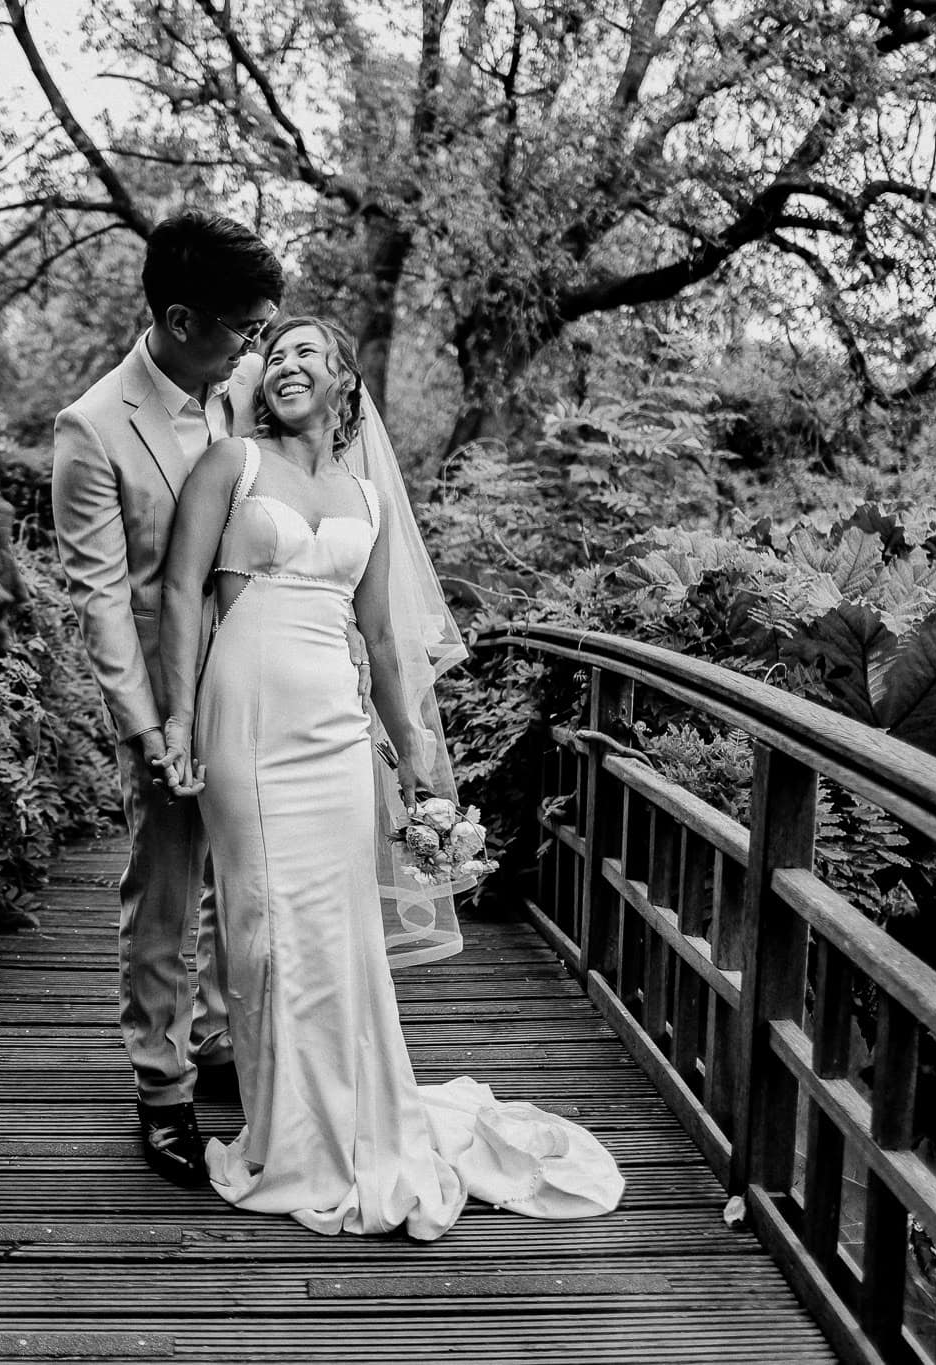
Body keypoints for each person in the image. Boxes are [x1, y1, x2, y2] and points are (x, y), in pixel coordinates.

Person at [155, 316, 625, 1238]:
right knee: (262, 927)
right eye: (275, 356)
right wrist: (175, 718)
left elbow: (382, 641)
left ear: (345, 385)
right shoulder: (231, 466)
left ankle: (356, 1115)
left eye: (307, 357)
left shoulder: (367, 497)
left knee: (338, 928)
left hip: (335, 727)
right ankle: (285, 1131)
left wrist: (420, 760)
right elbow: (180, 592)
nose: (286, 367)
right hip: (244, 715)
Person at [51, 210, 284, 1187]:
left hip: (258, 691)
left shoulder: (234, 392)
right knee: (163, 894)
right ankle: (160, 1087)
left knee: (241, 882)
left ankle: (217, 1035)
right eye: (244, 329)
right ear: (182, 318)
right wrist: (146, 730)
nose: (257, 349)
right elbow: (101, 600)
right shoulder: (92, 429)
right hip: (164, 703)